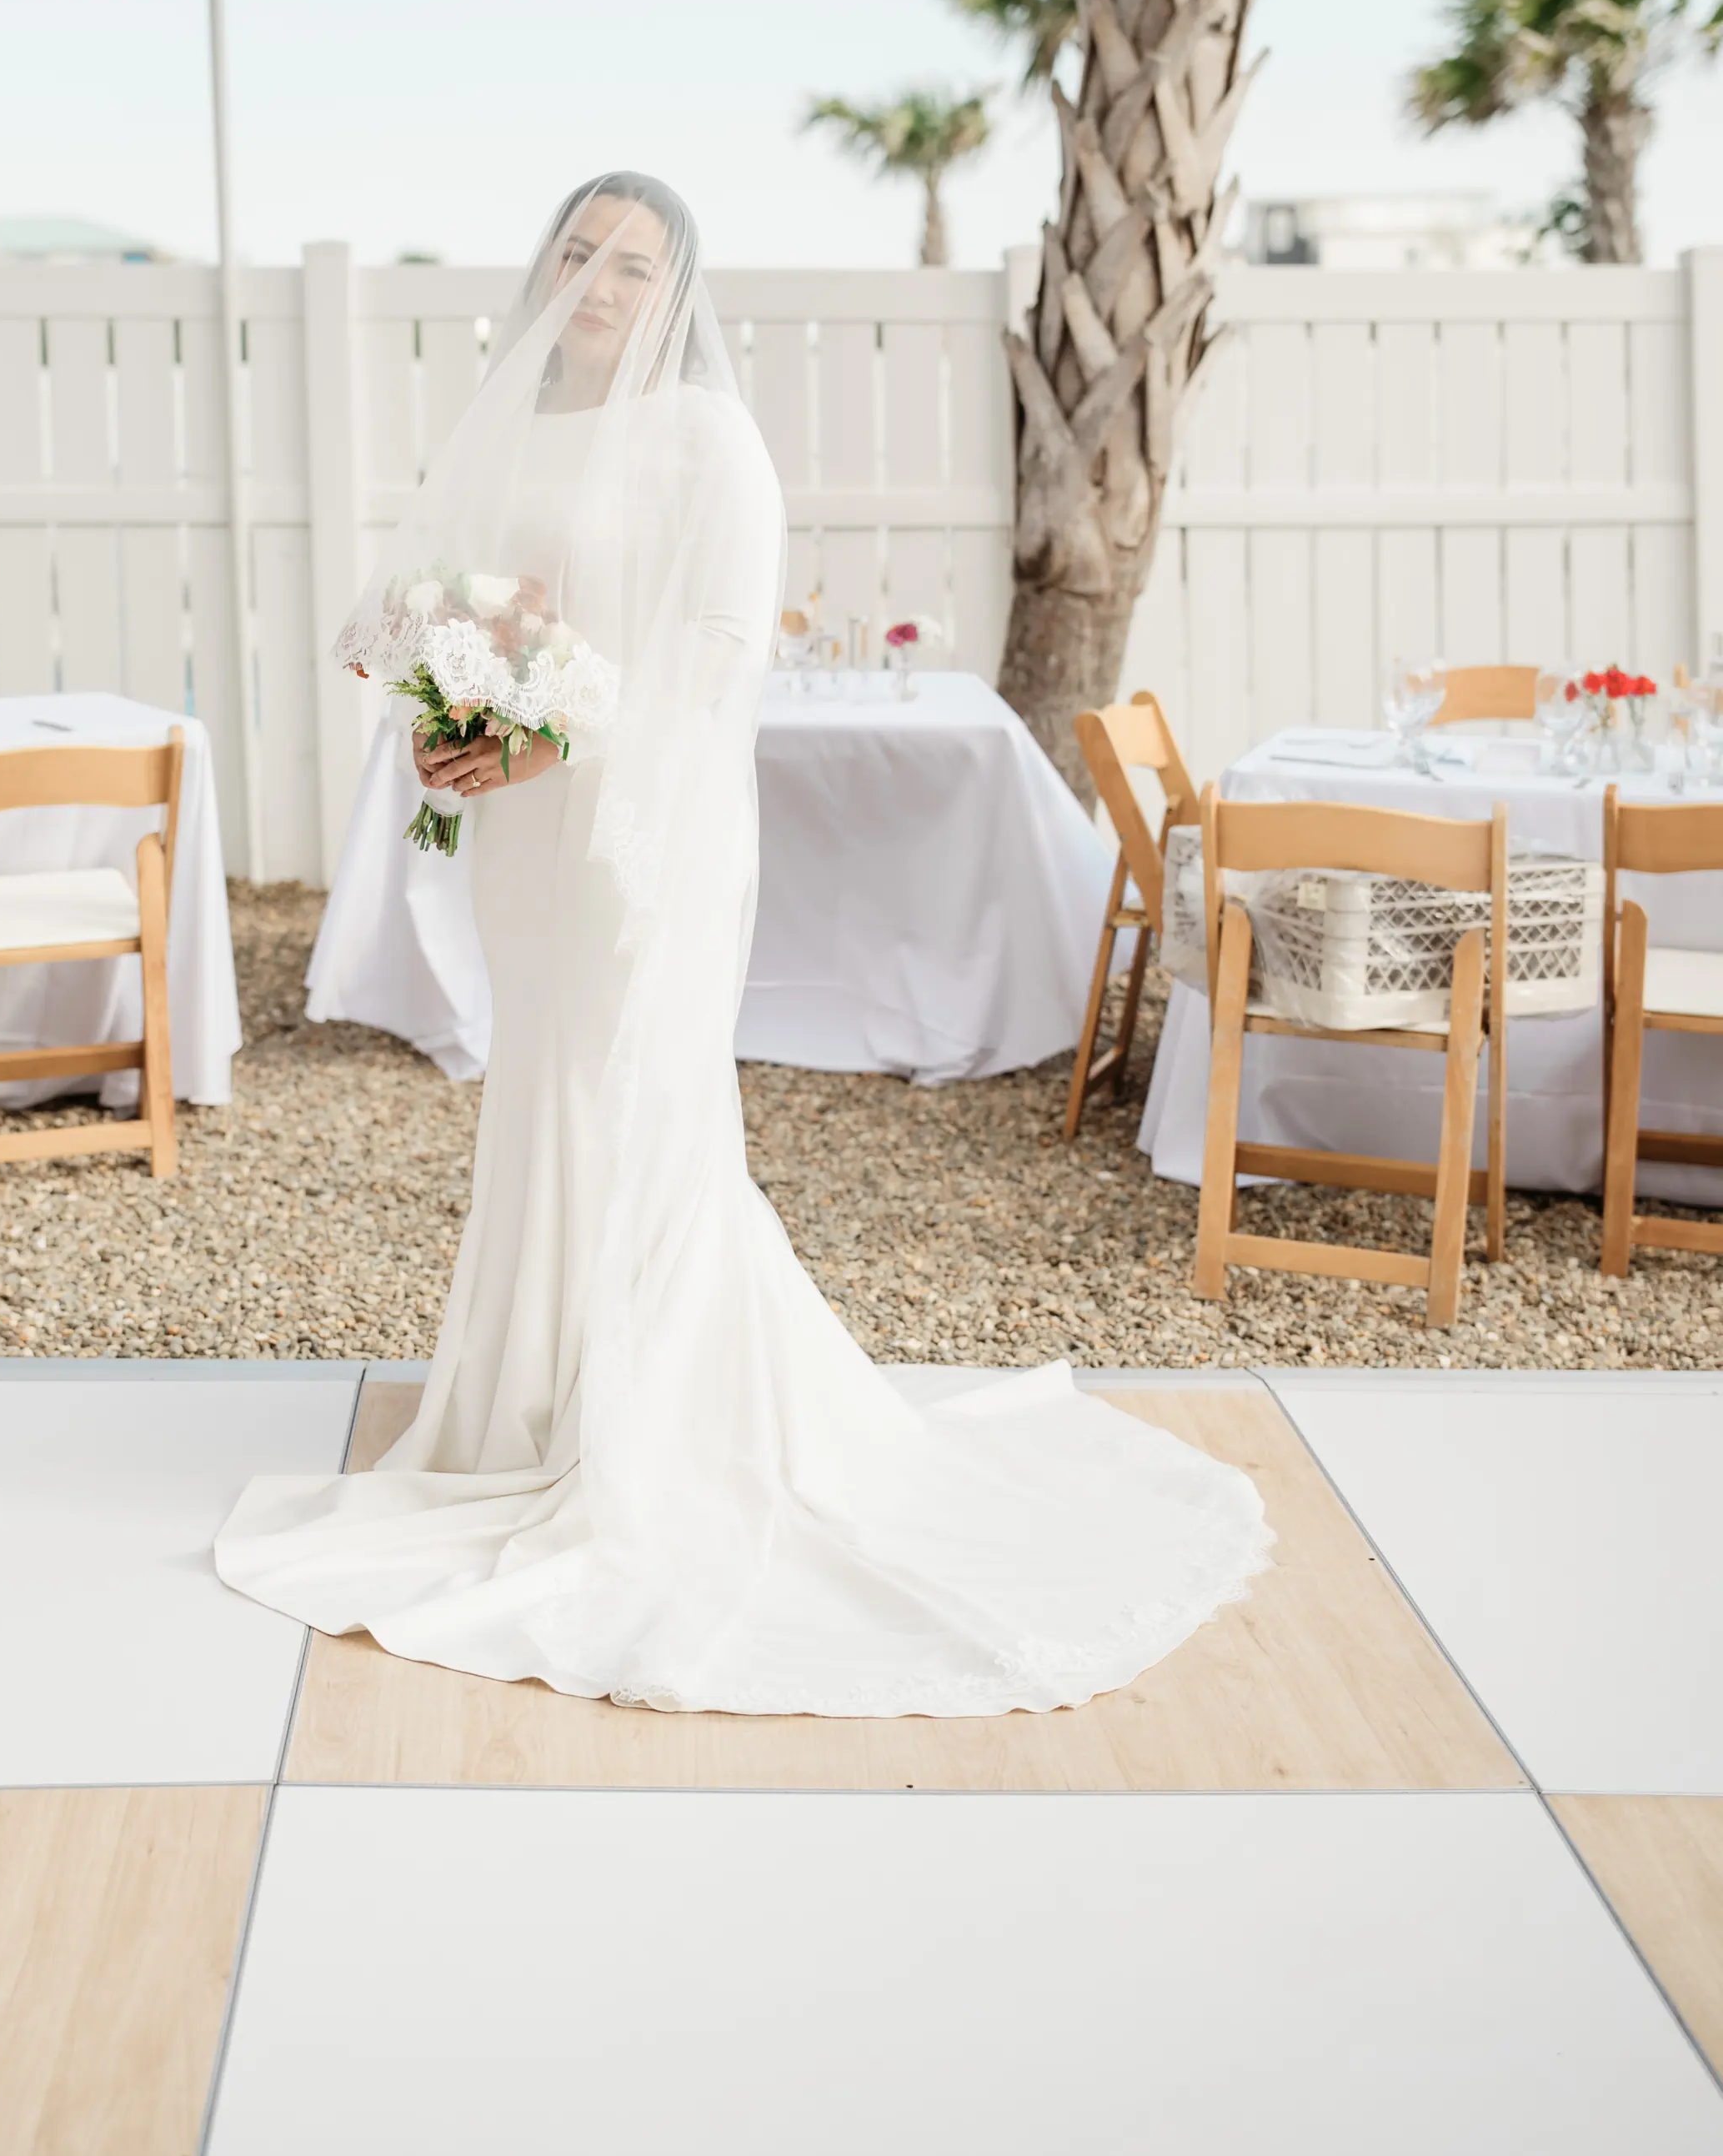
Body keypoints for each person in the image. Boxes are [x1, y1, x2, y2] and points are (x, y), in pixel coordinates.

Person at [215, 174, 1270, 1716]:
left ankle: (646, 1431)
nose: (598, 280)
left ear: (676, 289)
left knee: (636, 1105)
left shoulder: (710, 439)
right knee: (547, 1094)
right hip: (525, 839)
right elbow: (471, 607)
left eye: (634, 264)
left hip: (644, 834)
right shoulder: (513, 421)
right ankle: (530, 1406)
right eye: (578, 249)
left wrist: (538, 746)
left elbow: (713, 664)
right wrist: (453, 716)